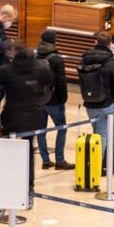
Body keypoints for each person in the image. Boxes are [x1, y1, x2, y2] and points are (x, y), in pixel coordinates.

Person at [0, 40, 53, 199]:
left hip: (13, 117)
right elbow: (51, 81)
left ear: (14, 52)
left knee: (8, 150)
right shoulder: (40, 68)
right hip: (33, 115)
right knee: (28, 150)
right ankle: (29, 186)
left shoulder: (8, 70)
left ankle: (8, 183)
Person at [36, 29, 74, 170]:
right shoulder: (56, 59)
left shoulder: (36, 56)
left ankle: (45, 160)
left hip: (39, 99)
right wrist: (63, 98)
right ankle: (60, 160)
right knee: (62, 128)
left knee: (41, 131)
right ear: (54, 40)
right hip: (54, 100)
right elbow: (61, 81)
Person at [81, 31, 114, 155]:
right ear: (110, 44)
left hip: (88, 102)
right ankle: (97, 166)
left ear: (95, 42)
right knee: (103, 136)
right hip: (106, 103)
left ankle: (95, 162)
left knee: (96, 133)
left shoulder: (84, 59)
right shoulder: (111, 62)